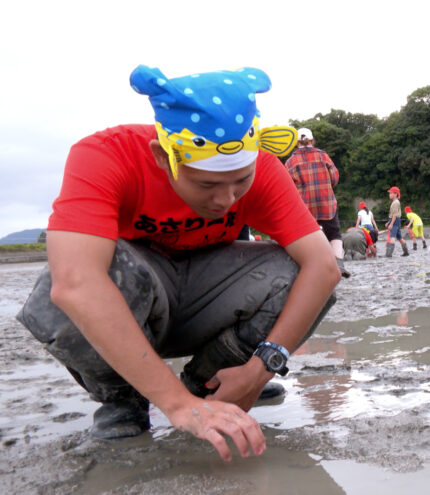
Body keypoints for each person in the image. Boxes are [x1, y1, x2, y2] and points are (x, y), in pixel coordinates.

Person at [16, 65, 341, 462]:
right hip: (138, 292)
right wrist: (174, 403)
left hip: (205, 293)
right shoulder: (105, 155)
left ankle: (213, 385)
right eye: (206, 184)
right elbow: (74, 283)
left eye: (240, 181)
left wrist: (260, 369)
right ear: (162, 156)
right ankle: (124, 399)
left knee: (298, 276)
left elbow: (323, 266)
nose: (226, 199)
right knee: (60, 292)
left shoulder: (264, 172)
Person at [285, 127, 350, 278]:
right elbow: (334, 178)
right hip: (326, 203)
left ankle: (309, 267)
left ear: (296, 143)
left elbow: (288, 187)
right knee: (334, 234)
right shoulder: (323, 156)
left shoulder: (290, 162)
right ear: (312, 140)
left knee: (305, 236)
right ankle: (339, 266)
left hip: (305, 206)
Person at [384, 186, 409, 257]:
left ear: (395, 194)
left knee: (392, 237)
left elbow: (394, 215)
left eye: (391, 193)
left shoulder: (395, 203)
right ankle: (406, 252)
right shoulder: (396, 202)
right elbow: (393, 215)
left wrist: (391, 224)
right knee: (400, 237)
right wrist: (388, 222)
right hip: (396, 221)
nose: (389, 194)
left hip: (395, 221)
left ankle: (388, 254)